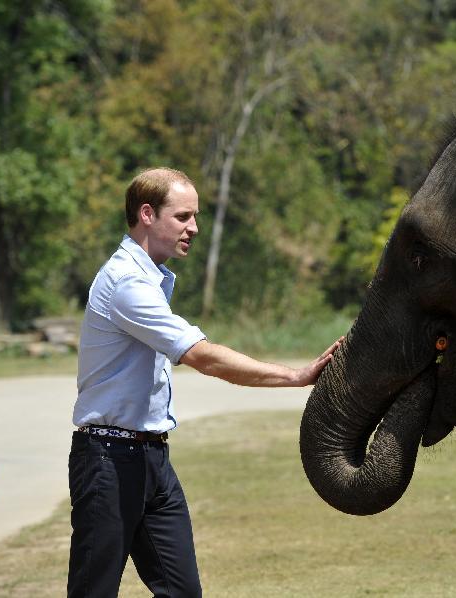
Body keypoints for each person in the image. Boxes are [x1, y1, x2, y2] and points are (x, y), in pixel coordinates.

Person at [68, 167, 342, 597]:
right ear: (147, 214)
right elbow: (204, 357)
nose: (194, 227)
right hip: (108, 461)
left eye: (194, 216)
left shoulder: (150, 279)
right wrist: (295, 375)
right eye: (182, 216)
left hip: (151, 458)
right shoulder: (126, 283)